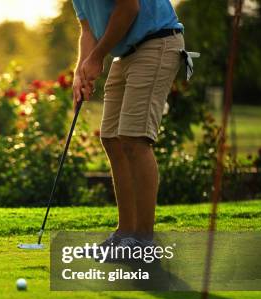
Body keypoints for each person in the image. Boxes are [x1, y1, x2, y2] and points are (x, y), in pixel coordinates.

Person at [71, 0, 184, 249]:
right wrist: (80, 70)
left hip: (156, 42)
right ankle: (125, 235)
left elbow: (128, 7)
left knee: (134, 140)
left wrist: (98, 56)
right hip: (125, 54)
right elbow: (87, 31)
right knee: (111, 139)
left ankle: (143, 241)